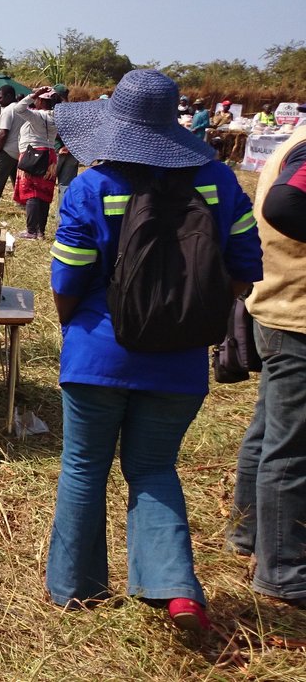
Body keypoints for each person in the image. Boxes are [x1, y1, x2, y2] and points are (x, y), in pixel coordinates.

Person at [47, 69, 262, 634]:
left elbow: (68, 279)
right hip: (181, 361)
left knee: (84, 467)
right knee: (153, 468)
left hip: (98, 352)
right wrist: (191, 312)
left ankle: (74, 590)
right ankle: (176, 589)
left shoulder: (93, 186)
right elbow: (245, 268)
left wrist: (75, 329)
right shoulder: (219, 180)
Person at [229, 123, 306, 610]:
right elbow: (283, 205)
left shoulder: (295, 138)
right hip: (296, 316)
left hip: (277, 303)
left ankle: (247, 531)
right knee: (292, 448)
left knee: (268, 432)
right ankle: (284, 572)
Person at [7, 87, 61, 239]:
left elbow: (19, 108)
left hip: (34, 155)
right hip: (50, 157)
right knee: (44, 194)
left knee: (32, 193)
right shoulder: (57, 116)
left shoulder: (37, 116)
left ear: (41, 100)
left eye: (38, 99)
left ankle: (31, 231)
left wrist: (33, 95)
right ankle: (40, 231)